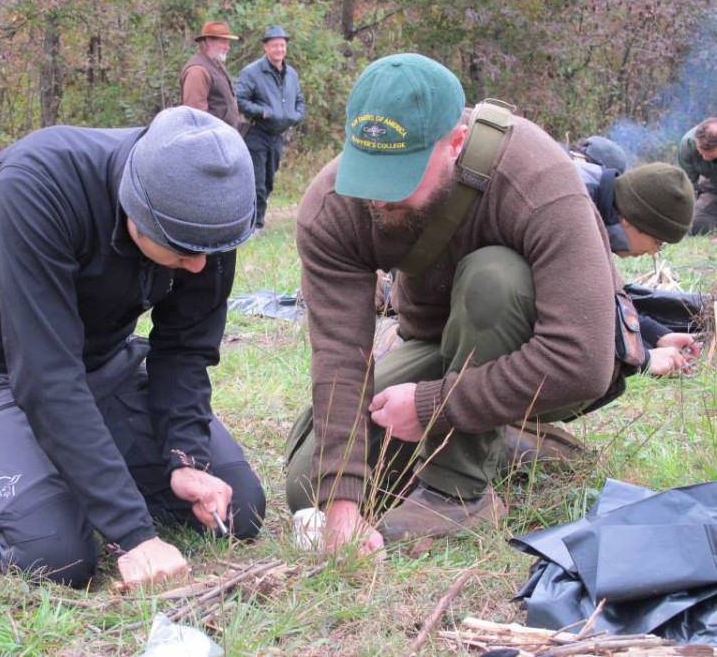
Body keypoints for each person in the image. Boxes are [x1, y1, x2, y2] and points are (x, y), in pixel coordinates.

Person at [283, 53, 693, 557]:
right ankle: (510, 439)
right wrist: (342, 506)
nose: (378, 196)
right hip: (441, 344)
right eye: (369, 170)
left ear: (456, 143)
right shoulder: (333, 207)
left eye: (402, 173)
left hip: (545, 354)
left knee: (492, 276)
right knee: (310, 487)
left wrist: (436, 407)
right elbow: (341, 359)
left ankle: (457, 493)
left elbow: (583, 362)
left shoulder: (535, 175)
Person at [0, 106, 266, 588]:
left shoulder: (208, 211)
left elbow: (185, 347)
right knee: (57, 556)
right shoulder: (35, 185)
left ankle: (71, 469)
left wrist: (185, 456)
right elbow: (46, 376)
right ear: (135, 207)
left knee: (240, 509)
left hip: (104, 363)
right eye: (183, 251)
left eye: (210, 252)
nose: (197, 268)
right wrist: (134, 533)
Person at [576, 159, 700, 363]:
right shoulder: (576, 209)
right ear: (632, 218)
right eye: (657, 242)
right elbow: (575, 311)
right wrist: (645, 360)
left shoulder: (598, 204)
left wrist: (657, 335)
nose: (653, 252)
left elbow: (604, 298)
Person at [235, 25, 306, 231]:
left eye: (282, 45)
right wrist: (262, 112)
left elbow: (299, 99)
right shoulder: (251, 72)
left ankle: (256, 219)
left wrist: (296, 116)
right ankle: (254, 225)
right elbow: (238, 99)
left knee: (268, 180)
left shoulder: (291, 73)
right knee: (256, 182)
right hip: (256, 133)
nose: (279, 50)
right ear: (265, 47)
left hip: (278, 136)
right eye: (274, 45)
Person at [181, 21, 242, 130]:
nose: (228, 47)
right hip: (210, 142)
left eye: (228, 42)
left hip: (223, 138)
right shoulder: (197, 71)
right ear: (209, 41)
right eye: (223, 42)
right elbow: (196, 117)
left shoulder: (216, 64)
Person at [677, 117, 717, 235]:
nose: (705, 158)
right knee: (692, 225)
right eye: (701, 153)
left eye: (710, 156)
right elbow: (689, 186)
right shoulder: (688, 144)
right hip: (712, 187)